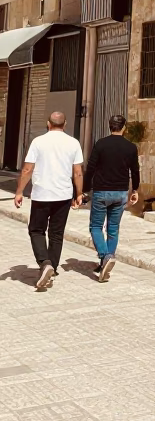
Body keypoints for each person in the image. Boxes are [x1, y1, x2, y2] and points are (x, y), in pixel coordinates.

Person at [14, 111, 84, 290]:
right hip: (63, 195)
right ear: (65, 124)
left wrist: (19, 192)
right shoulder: (73, 143)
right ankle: (52, 266)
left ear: (48, 123)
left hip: (42, 194)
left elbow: (27, 169)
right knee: (56, 233)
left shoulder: (38, 142)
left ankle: (45, 263)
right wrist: (79, 194)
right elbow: (77, 172)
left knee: (36, 230)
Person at [83, 114, 140, 282]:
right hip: (120, 193)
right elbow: (135, 170)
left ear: (110, 126)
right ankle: (106, 262)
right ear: (124, 128)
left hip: (101, 192)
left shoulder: (101, 144)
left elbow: (91, 168)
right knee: (113, 229)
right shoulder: (131, 147)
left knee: (95, 227)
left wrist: (85, 190)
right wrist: (135, 190)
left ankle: (105, 256)